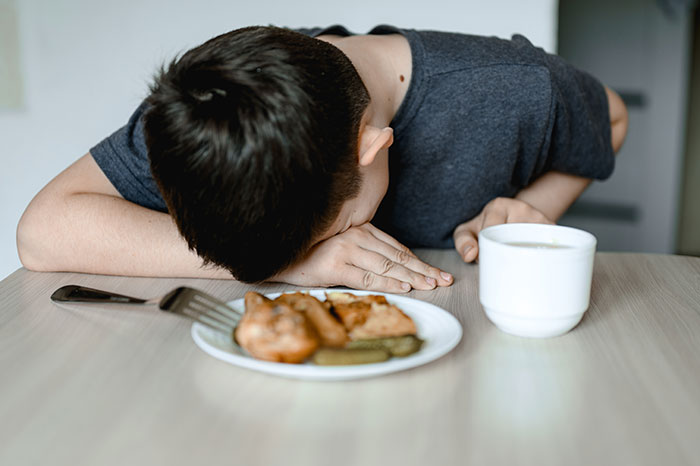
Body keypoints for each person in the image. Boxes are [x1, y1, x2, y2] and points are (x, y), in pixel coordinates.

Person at [16, 25, 628, 293]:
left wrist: (526, 208)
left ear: (372, 150)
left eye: (327, 229)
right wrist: (291, 265)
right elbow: (42, 232)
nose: (320, 249)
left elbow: (614, 116)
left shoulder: (516, 86)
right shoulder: (212, 111)